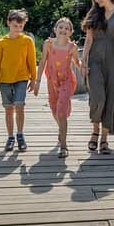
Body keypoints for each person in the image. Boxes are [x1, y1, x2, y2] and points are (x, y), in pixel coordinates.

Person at [81, 0, 114, 154]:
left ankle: (104, 139)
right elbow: (89, 39)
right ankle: (94, 131)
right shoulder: (95, 14)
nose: (97, 0)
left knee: (112, 98)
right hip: (95, 59)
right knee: (97, 97)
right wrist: (84, 61)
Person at [32, 17, 82, 158]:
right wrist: (37, 81)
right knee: (54, 109)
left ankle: (64, 146)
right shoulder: (48, 44)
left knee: (61, 111)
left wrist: (85, 69)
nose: (63, 30)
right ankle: (61, 130)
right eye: (60, 27)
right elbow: (42, 63)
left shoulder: (72, 47)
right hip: (52, 80)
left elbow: (77, 63)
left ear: (71, 32)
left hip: (66, 80)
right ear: (55, 29)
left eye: (67, 28)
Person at [0, 9, 37, 151]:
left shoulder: (27, 41)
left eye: (21, 26)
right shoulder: (1, 43)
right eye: (15, 26)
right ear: (8, 23)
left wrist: (33, 80)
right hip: (4, 80)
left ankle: (20, 135)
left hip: (22, 78)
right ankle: (10, 137)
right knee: (9, 109)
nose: (18, 29)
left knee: (20, 105)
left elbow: (32, 60)